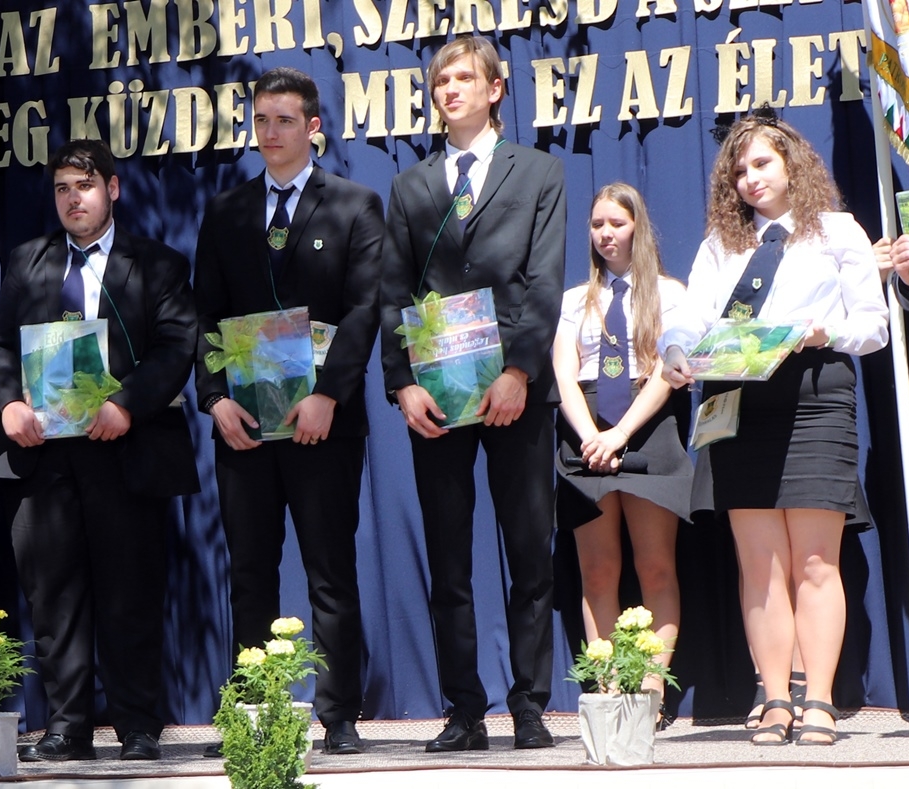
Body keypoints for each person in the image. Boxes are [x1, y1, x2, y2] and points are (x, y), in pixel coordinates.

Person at [660, 114, 887, 746]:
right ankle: (775, 698)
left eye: (761, 163)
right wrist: (675, 349)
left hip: (816, 394)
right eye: (739, 171)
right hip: (737, 400)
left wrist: (824, 331)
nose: (750, 179)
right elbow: (690, 316)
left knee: (815, 560)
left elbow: (873, 326)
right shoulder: (722, 243)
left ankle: (819, 700)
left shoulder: (836, 230)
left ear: (792, 164)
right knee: (759, 564)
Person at [0, 139, 197, 762]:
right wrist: (7, 405)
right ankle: (67, 727)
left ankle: (137, 727)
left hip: (125, 449)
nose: (73, 199)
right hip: (42, 456)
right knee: (53, 597)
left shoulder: (156, 263)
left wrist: (126, 403)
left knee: (131, 593)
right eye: (62, 189)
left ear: (113, 189)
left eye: (85, 186)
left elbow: (176, 346)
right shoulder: (27, 261)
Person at [378, 35, 565, 751]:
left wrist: (520, 372)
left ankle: (529, 704)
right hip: (438, 392)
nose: (450, 89)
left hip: (518, 389)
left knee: (529, 550)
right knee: (448, 555)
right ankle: (463, 710)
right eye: (440, 81)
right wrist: (402, 383)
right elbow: (394, 290)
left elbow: (544, 282)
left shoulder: (539, 171)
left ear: (495, 89)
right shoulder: (411, 185)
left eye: (464, 78)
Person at [192, 66, 381, 755]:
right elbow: (204, 315)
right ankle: (253, 713)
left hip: (322, 424)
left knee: (330, 570)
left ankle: (339, 715)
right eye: (261, 120)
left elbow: (364, 309)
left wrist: (328, 395)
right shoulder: (226, 211)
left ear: (313, 128)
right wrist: (214, 399)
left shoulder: (354, 205)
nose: (270, 133)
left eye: (284, 120)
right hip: (244, 427)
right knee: (249, 572)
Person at [551, 183, 688, 714]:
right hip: (585, 432)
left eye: (617, 223)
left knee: (655, 567)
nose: (606, 234)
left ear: (638, 228)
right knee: (598, 571)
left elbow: (667, 372)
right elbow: (564, 373)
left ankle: (652, 689)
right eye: (597, 225)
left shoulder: (669, 293)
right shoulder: (573, 301)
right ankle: (608, 690)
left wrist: (620, 434)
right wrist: (591, 434)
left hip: (645, 426)